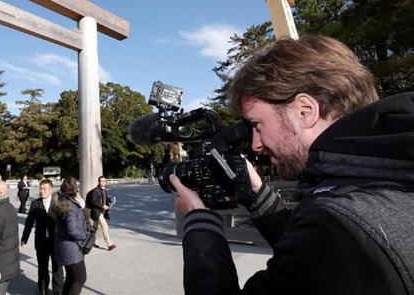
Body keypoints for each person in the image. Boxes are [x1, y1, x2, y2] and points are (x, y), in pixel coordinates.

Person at [171, 35, 414, 295]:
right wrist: (256, 195)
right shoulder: (383, 176)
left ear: (304, 111)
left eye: (257, 125)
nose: (255, 144)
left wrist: (200, 222)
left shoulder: (338, 229)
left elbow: (324, 243)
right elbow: (309, 249)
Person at [21, 179, 63, 295]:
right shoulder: (35, 203)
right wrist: (24, 239)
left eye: (44, 189)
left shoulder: (58, 203)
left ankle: (58, 290)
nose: (41, 191)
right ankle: (43, 288)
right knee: (42, 266)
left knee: (57, 266)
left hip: (56, 241)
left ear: (51, 190)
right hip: (41, 241)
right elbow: (29, 222)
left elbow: (64, 221)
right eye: (40, 188)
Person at [54, 177, 87, 295]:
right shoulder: (71, 206)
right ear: (74, 189)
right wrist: (84, 236)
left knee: (71, 277)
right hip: (71, 247)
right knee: (80, 278)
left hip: (63, 245)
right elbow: (72, 230)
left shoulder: (62, 202)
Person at [85, 176, 116, 250]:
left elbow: (104, 198)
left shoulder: (103, 190)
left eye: (104, 181)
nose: (103, 182)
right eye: (101, 181)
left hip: (101, 212)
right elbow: (93, 201)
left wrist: (110, 200)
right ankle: (109, 244)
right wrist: (102, 206)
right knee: (105, 226)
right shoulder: (96, 190)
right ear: (99, 182)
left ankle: (90, 242)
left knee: (94, 228)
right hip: (97, 212)